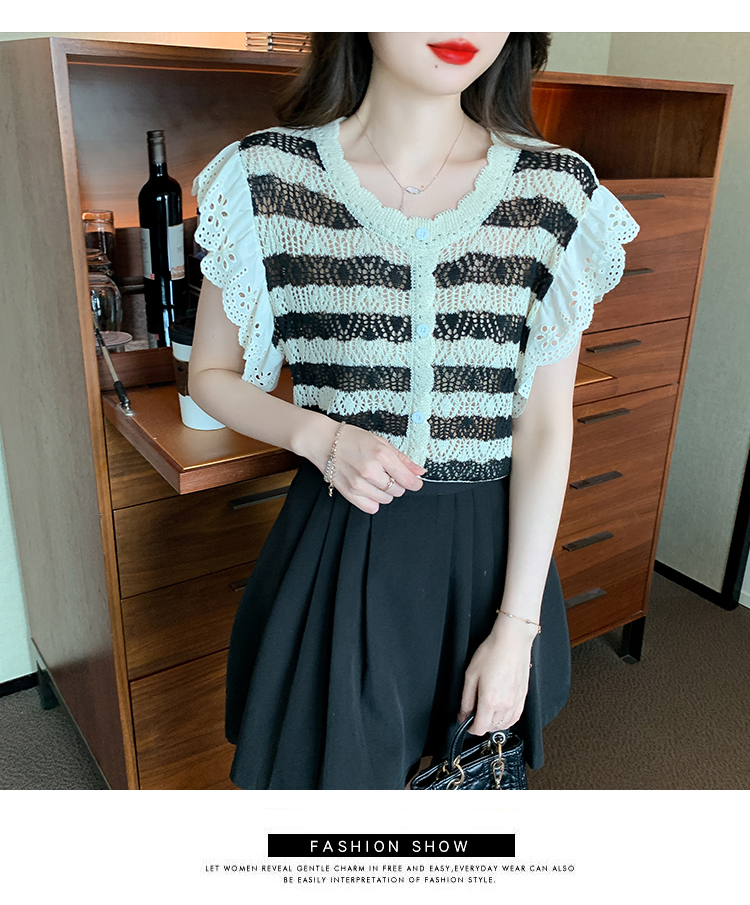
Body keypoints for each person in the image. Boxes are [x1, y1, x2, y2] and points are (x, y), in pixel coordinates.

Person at [188, 32, 639, 790]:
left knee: (461, 797)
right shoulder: (265, 179)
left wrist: (516, 628)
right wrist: (321, 437)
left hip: (487, 562)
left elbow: (543, 426)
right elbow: (211, 374)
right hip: (341, 546)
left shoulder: (557, 193)